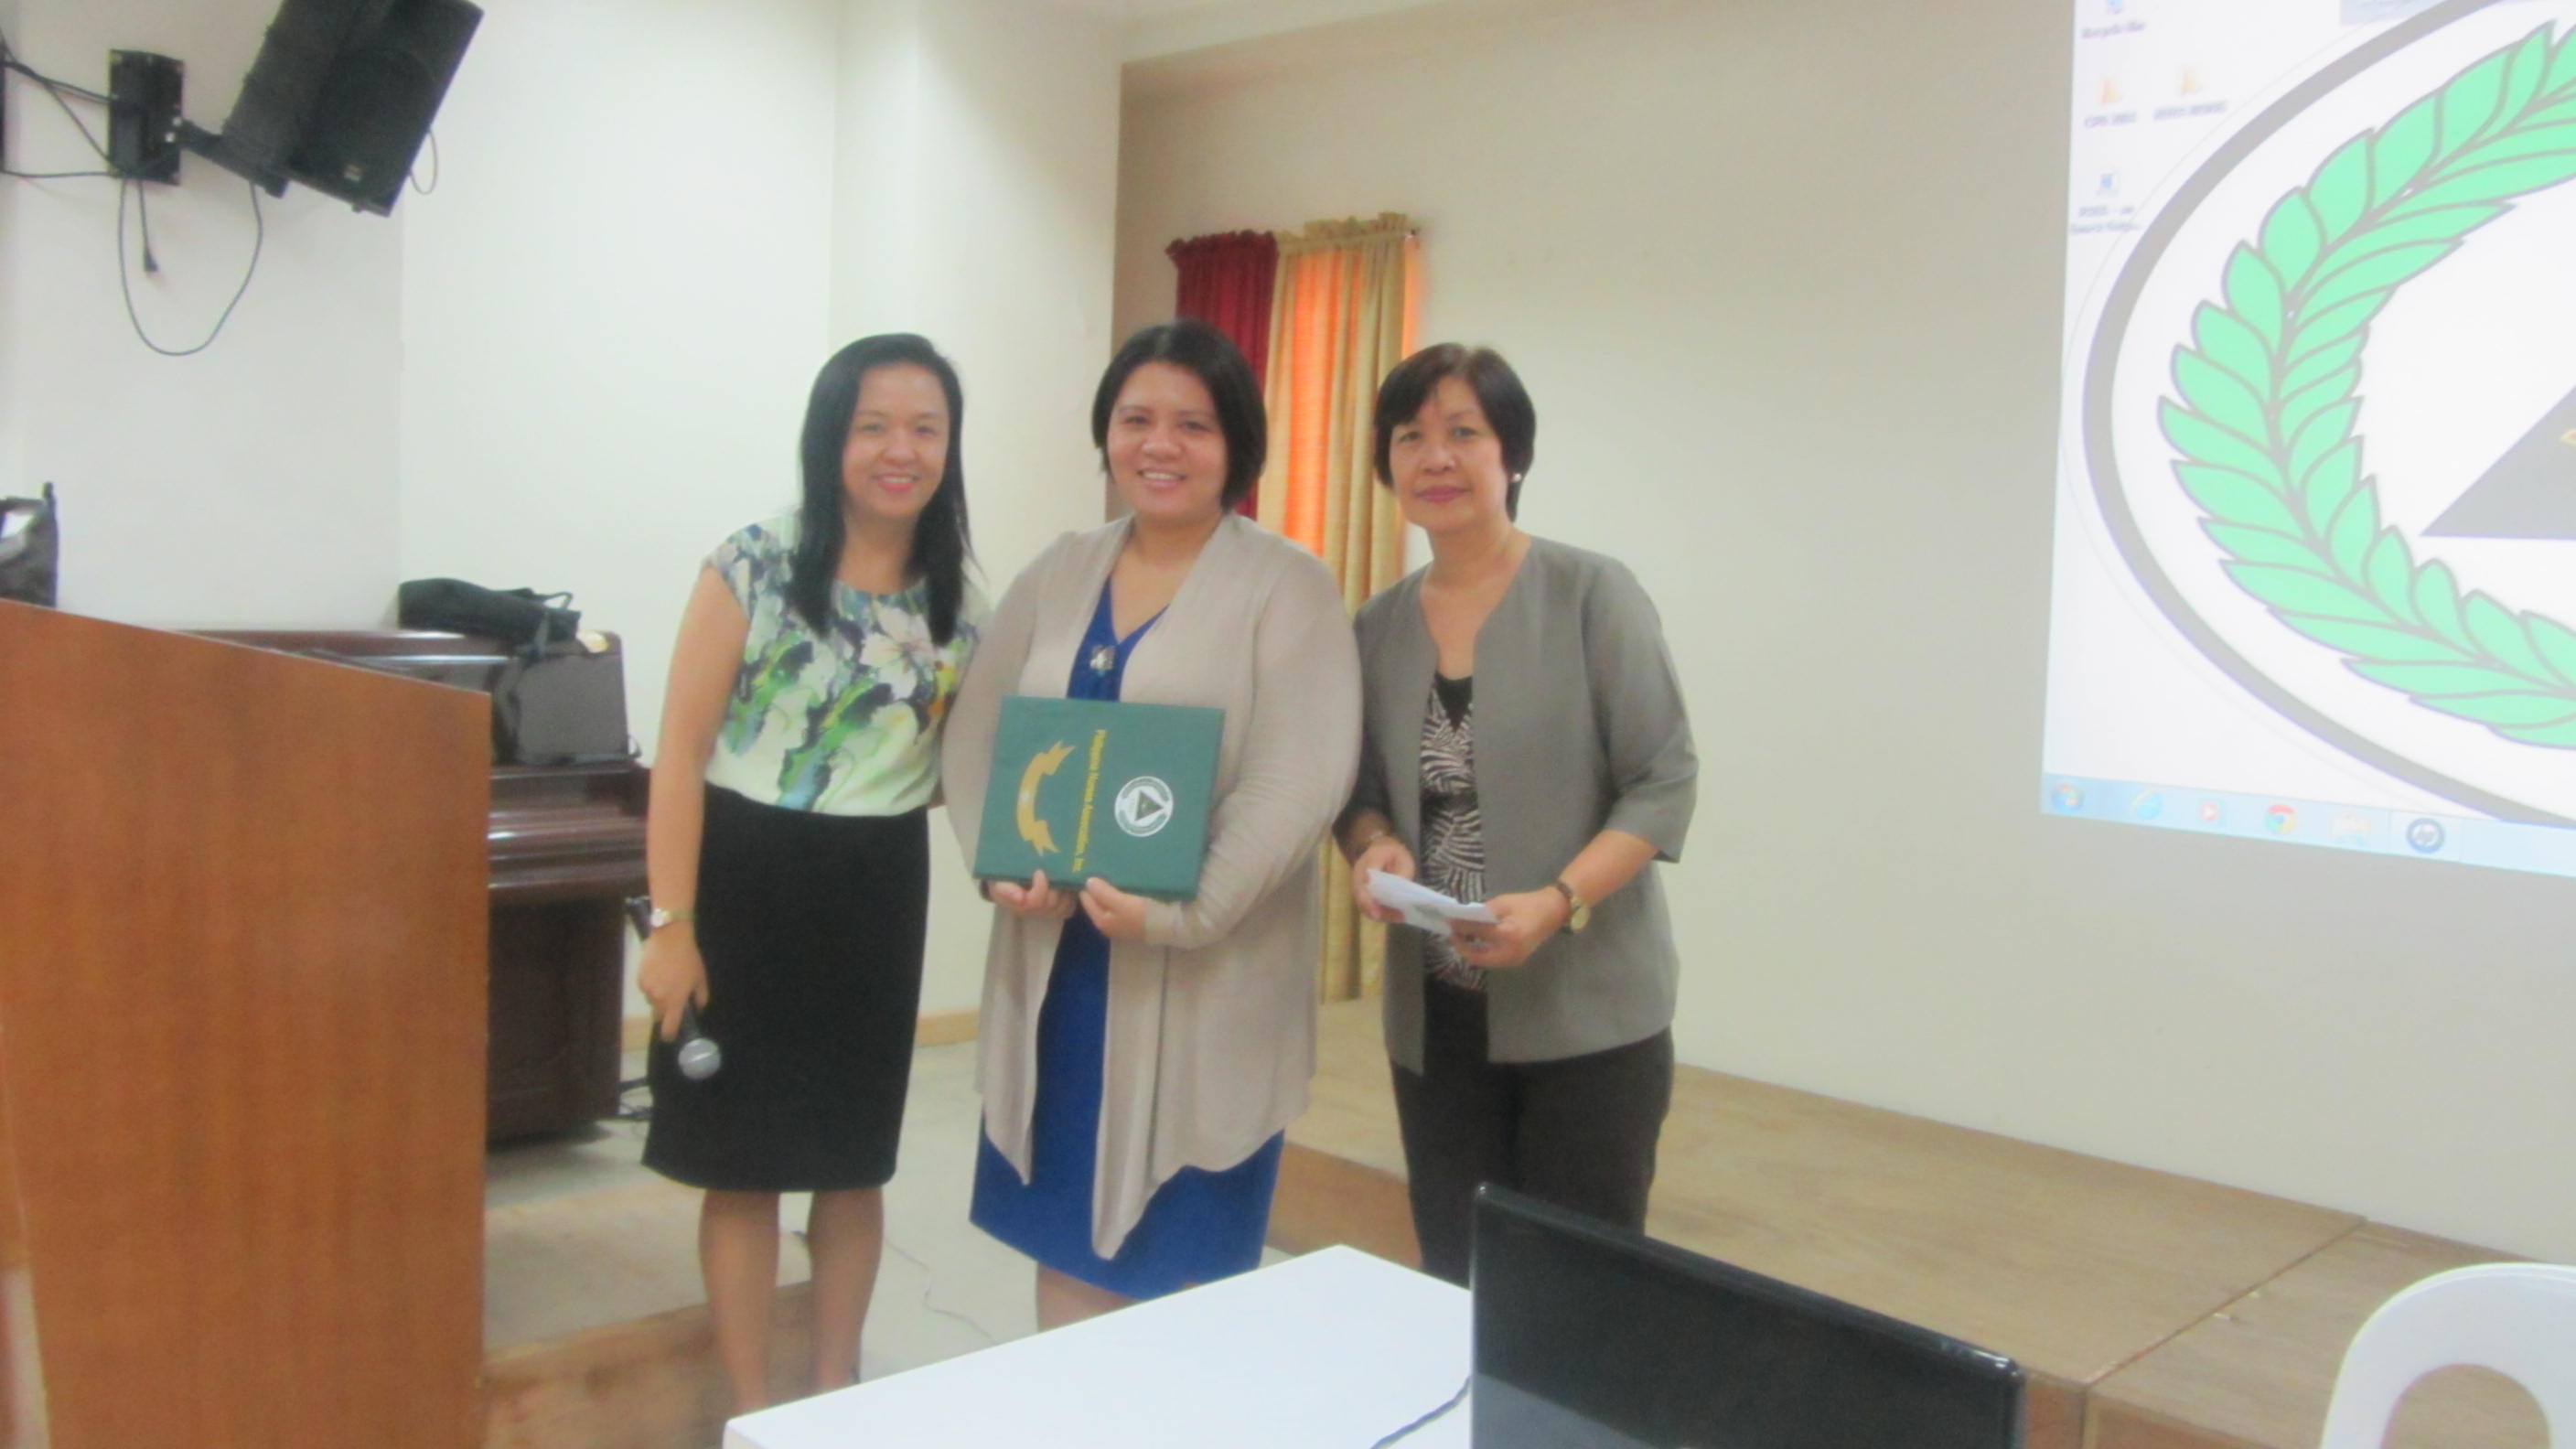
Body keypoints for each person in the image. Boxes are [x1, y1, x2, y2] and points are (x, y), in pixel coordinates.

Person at [941, 318, 1361, 1328]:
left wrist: (1185, 912)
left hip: (1208, 976)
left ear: (1236, 444)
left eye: (1193, 424)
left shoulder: (1287, 584)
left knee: (1181, 1275)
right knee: (1064, 1249)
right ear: (1106, 434)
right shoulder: (1060, 569)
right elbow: (978, 732)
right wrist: (996, 861)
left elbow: (1298, 778)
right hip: (1059, 972)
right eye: (1135, 419)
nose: (1159, 445)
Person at [636, 333, 982, 1411]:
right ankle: (752, 1409)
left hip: (874, 891)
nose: (899, 450)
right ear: (830, 437)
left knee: (850, 1161)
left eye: (924, 428)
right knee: (739, 1165)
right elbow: (680, 752)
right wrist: (671, 923)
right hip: (742, 880)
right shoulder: (751, 563)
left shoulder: (958, 603)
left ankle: (835, 1397)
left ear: (949, 447)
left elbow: (959, 767)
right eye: (872, 426)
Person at [1336, 342, 1698, 1286]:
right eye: (1410, 437)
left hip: (1587, 1017)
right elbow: (1358, 793)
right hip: (1438, 1021)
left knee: (1581, 1293)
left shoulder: (1590, 593)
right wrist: (1373, 846)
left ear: (1514, 454)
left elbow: (1663, 779)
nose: (1435, 458)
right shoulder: (1375, 625)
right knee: (1457, 1281)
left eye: (1464, 432)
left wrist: (1558, 900)